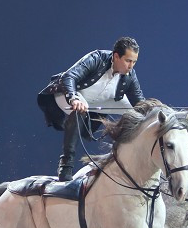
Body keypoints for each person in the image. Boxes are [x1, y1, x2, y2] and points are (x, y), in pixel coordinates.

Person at [37, 36, 145, 180]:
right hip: (68, 93)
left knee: (140, 113)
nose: (131, 66)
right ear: (116, 56)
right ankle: (66, 165)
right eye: (128, 61)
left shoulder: (130, 75)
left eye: (134, 62)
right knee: (79, 109)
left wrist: (158, 113)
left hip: (95, 103)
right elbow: (69, 77)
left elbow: (140, 103)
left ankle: (127, 159)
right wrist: (74, 98)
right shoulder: (97, 58)